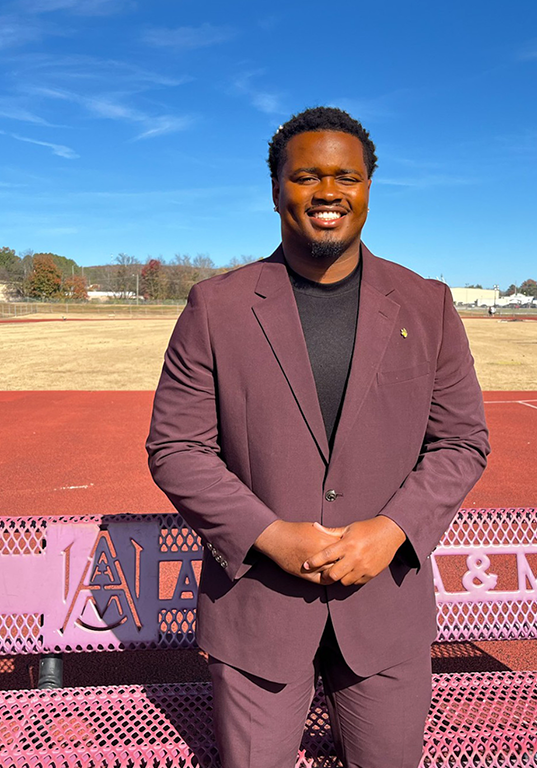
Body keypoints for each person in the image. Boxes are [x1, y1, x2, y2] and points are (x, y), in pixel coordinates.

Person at [147, 106, 490, 768]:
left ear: (367, 187)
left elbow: (460, 442)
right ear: (276, 189)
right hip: (259, 608)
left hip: (383, 607)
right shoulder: (215, 307)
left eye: (346, 177)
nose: (327, 192)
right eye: (306, 176)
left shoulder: (427, 305)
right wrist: (270, 535)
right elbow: (176, 448)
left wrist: (390, 530)